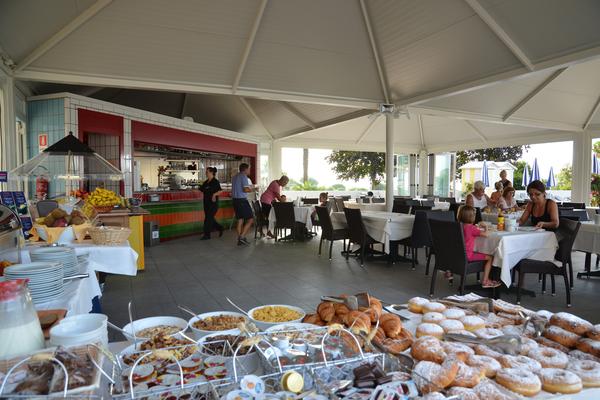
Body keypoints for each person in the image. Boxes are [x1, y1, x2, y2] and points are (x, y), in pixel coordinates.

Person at [458, 205, 501, 288]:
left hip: (459, 254)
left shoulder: (459, 226)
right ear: (472, 217)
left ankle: (449, 271)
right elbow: (486, 235)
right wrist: (486, 227)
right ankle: (485, 281)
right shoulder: (471, 228)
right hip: (468, 255)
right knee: (490, 257)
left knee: (480, 251)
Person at [231, 163, 255, 245]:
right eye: (249, 169)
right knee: (250, 219)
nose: (249, 170)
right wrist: (253, 189)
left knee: (240, 220)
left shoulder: (234, 177)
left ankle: (240, 239)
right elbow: (245, 189)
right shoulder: (244, 176)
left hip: (235, 201)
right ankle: (242, 237)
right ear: (245, 169)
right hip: (242, 201)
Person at [199, 167, 224, 240]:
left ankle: (207, 235)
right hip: (206, 203)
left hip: (213, 204)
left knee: (208, 219)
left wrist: (214, 195)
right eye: (206, 172)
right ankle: (220, 227)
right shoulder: (206, 182)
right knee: (210, 218)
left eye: (207, 172)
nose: (206, 173)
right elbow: (201, 189)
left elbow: (220, 191)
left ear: (211, 172)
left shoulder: (215, 182)